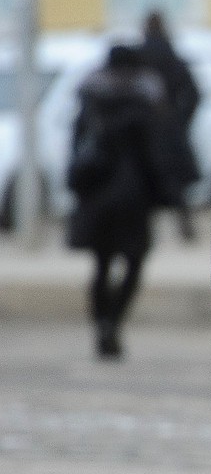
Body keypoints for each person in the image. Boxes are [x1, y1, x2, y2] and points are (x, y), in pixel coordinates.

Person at [66, 44, 168, 359]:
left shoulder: (91, 98)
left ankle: (102, 325)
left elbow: (77, 146)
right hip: (133, 197)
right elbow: (157, 154)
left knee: (101, 264)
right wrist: (165, 194)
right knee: (134, 263)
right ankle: (113, 322)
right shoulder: (145, 100)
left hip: (97, 193)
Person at [140, 10, 201, 239]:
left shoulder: (141, 57)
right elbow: (194, 93)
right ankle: (186, 230)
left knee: (142, 183)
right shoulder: (172, 56)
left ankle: (146, 234)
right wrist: (179, 119)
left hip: (142, 133)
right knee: (175, 187)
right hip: (169, 130)